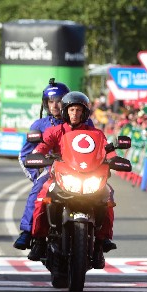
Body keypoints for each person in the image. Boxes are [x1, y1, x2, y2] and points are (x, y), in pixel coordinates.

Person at [30, 91, 116, 268]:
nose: (75, 114)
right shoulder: (56, 131)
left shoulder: (97, 134)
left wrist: (115, 159)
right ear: (65, 112)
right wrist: (37, 154)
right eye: (71, 110)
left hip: (90, 178)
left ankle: (101, 242)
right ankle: (39, 240)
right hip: (62, 177)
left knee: (108, 196)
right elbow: (43, 145)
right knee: (42, 196)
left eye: (78, 110)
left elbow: (108, 151)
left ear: (84, 113)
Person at [14, 79, 72, 255]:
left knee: (105, 192)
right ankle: (28, 231)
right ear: (46, 104)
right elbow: (25, 154)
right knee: (38, 190)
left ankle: (102, 238)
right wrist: (35, 173)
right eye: (50, 101)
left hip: (80, 171)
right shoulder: (39, 125)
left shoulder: (82, 122)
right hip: (50, 171)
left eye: (59, 100)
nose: (55, 105)